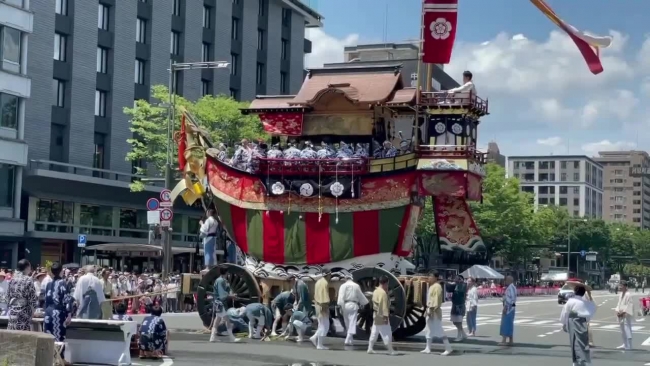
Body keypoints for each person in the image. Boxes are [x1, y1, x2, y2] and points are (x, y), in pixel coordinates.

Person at [43, 262, 74, 358]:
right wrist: (69, 315)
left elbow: (45, 300)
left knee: (49, 339)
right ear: (61, 271)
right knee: (59, 340)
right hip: (58, 314)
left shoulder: (48, 284)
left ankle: (49, 360)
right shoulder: (63, 283)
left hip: (48, 313)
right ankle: (58, 361)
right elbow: (67, 299)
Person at [559, 284, 596, 366]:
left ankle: (577, 362)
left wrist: (564, 324)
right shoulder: (585, 303)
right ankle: (582, 361)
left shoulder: (571, 301)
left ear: (575, 292)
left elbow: (565, 313)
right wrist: (589, 294)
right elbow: (593, 307)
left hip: (572, 322)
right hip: (582, 323)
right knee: (582, 343)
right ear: (583, 293)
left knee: (574, 342)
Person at [421, 270, 452, 355]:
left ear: (435, 277)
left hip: (434, 310)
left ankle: (448, 348)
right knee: (428, 329)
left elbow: (437, 300)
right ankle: (428, 348)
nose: (429, 278)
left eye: (431, 276)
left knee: (439, 329)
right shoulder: (431, 286)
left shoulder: (437, 286)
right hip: (429, 309)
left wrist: (432, 309)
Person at [367, 275, 397, 355]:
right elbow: (383, 306)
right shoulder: (383, 293)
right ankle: (390, 350)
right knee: (386, 332)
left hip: (376, 314)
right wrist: (385, 317)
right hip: (381, 314)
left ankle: (370, 348)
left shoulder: (376, 291)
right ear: (386, 283)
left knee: (374, 332)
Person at [6, 259, 38, 331]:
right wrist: (33, 312)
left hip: (13, 312)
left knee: (12, 336)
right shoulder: (28, 280)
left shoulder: (12, 280)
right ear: (27, 267)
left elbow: (8, 297)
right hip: (24, 312)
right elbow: (33, 299)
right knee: (23, 337)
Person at [337, 274, 368, 346]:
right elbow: (360, 296)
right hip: (353, 305)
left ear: (346, 278)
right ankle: (348, 338)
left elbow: (340, 297)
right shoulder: (356, 286)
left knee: (347, 322)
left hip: (345, 305)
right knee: (352, 322)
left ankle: (350, 340)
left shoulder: (343, 286)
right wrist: (366, 302)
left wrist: (341, 306)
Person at [209, 267, 232, 342]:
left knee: (217, 320)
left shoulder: (222, 280)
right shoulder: (220, 281)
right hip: (220, 303)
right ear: (226, 273)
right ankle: (232, 337)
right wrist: (231, 296)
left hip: (218, 302)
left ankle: (212, 337)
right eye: (228, 272)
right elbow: (222, 294)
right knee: (227, 320)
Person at [310, 271, 331, 350]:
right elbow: (324, 297)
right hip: (322, 305)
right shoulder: (324, 283)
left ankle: (314, 337)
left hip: (318, 305)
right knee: (325, 325)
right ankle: (320, 344)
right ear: (328, 275)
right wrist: (325, 307)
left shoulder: (318, 281)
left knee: (321, 324)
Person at [615, 280, 634, 350]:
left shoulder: (628, 294)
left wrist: (624, 312)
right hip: (620, 314)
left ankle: (629, 345)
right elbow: (618, 304)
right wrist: (617, 310)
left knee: (627, 329)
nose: (619, 287)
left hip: (626, 315)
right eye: (619, 285)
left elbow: (630, 305)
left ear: (625, 286)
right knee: (622, 330)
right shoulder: (620, 294)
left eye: (621, 286)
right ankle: (624, 343)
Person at [499, 275, 517, 346]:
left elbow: (511, 299)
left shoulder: (510, 288)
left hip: (509, 308)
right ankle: (510, 340)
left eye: (506, 280)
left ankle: (504, 340)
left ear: (509, 280)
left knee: (505, 324)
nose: (505, 281)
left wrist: (506, 307)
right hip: (512, 307)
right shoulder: (513, 287)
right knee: (510, 324)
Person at [450, 274, 468, 341]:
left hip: (460, 306)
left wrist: (458, 283)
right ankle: (463, 334)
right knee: (455, 322)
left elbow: (460, 291)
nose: (455, 279)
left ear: (461, 279)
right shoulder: (456, 285)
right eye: (455, 278)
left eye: (457, 278)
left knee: (459, 322)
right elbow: (449, 289)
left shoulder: (463, 285)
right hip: (454, 305)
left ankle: (459, 336)